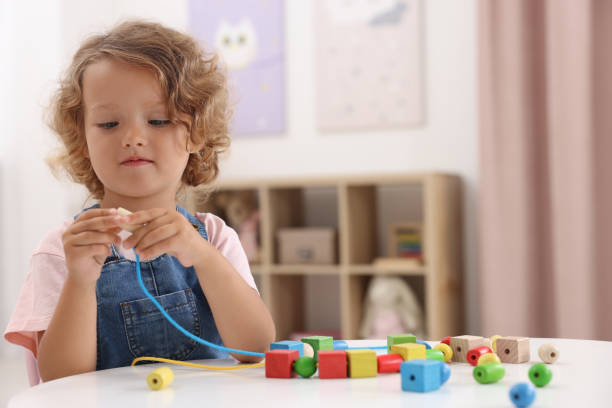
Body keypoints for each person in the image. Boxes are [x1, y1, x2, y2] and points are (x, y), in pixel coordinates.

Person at [3, 20, 276, 383]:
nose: (133, 137)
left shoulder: (214, 237)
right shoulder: (61, 251)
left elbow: (256, 348)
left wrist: (202, 255)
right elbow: (60, 382)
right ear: (82, 139)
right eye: (109, 124)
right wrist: (80, 281)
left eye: (158, 120)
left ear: (196, 133)